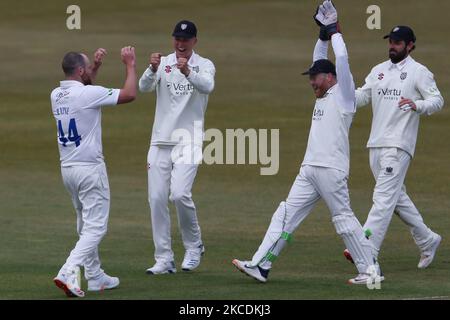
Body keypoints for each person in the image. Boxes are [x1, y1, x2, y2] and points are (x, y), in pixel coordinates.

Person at [232, 1, 382, 285]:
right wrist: (322, 35)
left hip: (331, 168)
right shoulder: (323, 95)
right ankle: (261, 265)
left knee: (343, 220)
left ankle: (371, 271)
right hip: (310, 169)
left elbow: (344, 60)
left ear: (330, 77)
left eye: (315, 77)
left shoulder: (344, 95)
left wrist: (335, 31)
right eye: (310, 77)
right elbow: (319, 57)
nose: (311, 82)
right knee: (285, 214)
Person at [344, 25, 444, 269]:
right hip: (376, 144)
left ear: (410, 45)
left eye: (398, 42)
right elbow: (361, 97)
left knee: (383, 198)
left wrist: (417, 105)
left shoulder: (419, 72)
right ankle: (427, 239)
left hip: (399, 145)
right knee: (395, 197)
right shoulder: (378, 70)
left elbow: (437, 100)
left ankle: (366, 247)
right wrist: (341, 93)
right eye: (391, 41)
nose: (392, 45)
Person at [51, 46, 137, 297]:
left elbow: (85, 87)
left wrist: (96, 67)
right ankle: (68, 270)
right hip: (90, 170)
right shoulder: (88, 94)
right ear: (79, 70)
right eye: (87, 67)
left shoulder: (56, 94)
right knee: (96, 227)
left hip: (68, 169)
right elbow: (130, 94)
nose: (90, 70)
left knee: (84, 221)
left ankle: (95, 275)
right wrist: (130, 64)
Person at [139, 20, 215, 274]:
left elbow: (208, 86)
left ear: (195, 41)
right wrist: (151, 69)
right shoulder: (162, 62)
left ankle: (194, 247)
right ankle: (164, 259)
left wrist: (188, 73)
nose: (181, 44)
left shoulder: (204, 65)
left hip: (189, 139)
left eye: (186, 40)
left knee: (180, 194)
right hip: (160, 140)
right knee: (157, 198)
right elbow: (143, 87)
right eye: (177, 39)